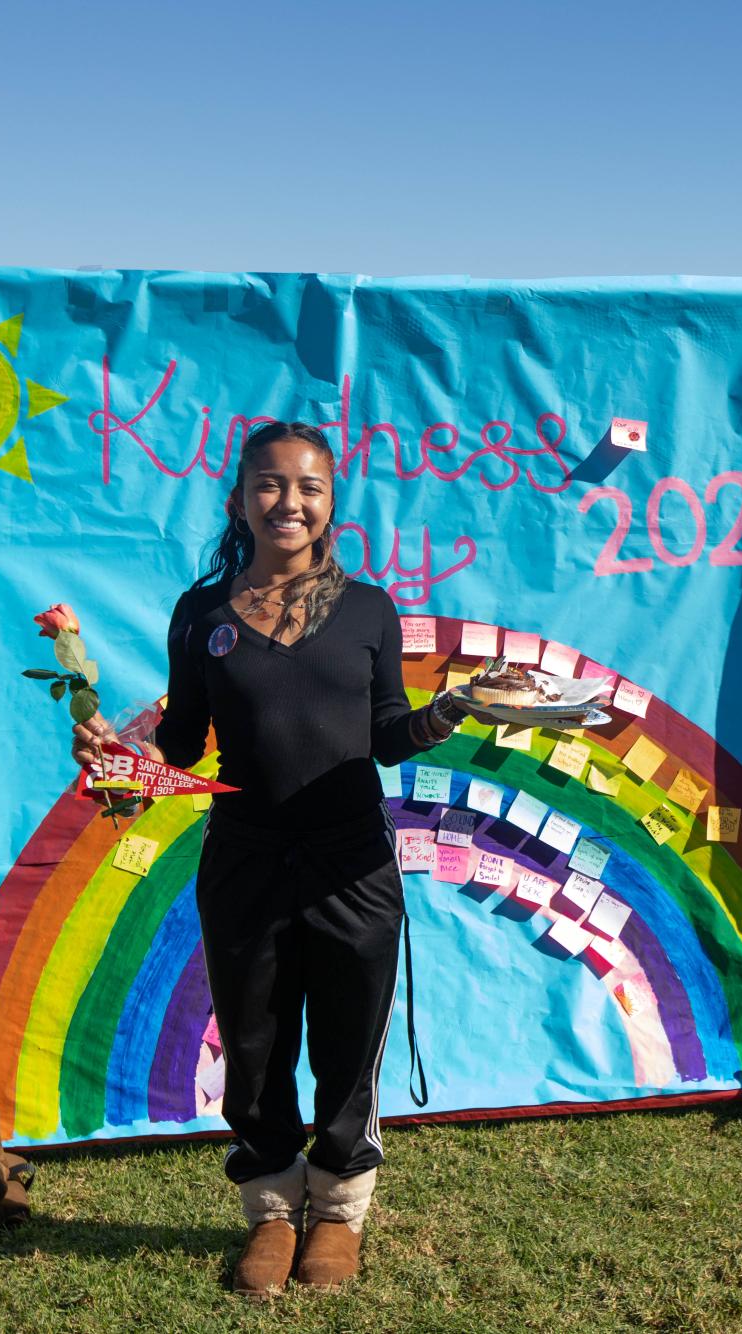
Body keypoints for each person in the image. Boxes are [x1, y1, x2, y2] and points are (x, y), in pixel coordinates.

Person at [70, 421, 484, 1296]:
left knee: (345, 1044)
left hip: (351, 863)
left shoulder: (370, 608)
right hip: (245, 859)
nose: (288, 502)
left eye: (309, 488)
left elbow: (384, 736)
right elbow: (183, 744)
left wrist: (445, 713)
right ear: (239, 500)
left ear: (331, 504)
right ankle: (268, 1208)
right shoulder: (202, 612)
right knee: (253, 1046)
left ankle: (336, 1213)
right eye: (270, 484)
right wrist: (122, 758)